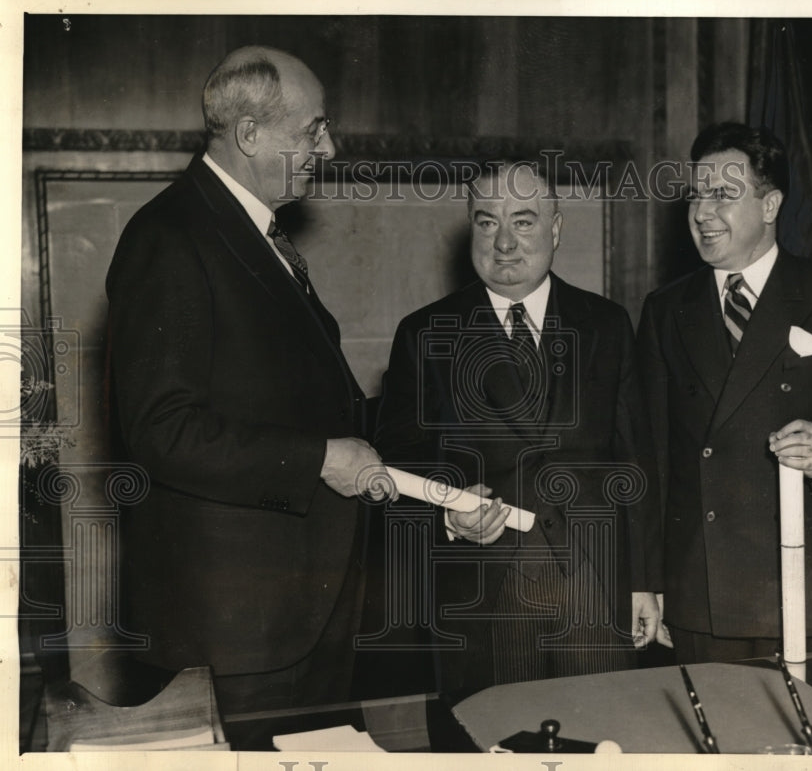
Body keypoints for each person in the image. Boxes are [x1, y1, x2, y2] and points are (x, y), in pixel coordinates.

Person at [105, 46, 394, 712]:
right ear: (249, 134)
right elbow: (163, 430)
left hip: (293, 613)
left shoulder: (251, 230)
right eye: (313, 128)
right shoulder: (170, 237)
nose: (329, 147)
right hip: (235, 630)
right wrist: (322, 458)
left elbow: (304, 402)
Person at [375, 162, 663, 698]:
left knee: (600, 742)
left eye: (523, 222)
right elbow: (396, 460)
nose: (504, 242)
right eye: (487, 223)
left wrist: (645, 581)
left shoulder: (606, 324)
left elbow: (634, 459)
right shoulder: (424, 332)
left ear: (555, 229)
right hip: (481, 593)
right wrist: (448, 509)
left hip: (593, 586)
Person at [637, 122, 812, 664]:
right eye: (696, 194)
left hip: (806, 590)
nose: (701, 212)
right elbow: (651, 458)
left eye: (723, 194)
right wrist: (646, 582)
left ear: (771, 206)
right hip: (701, 597)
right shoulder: (665, 310)